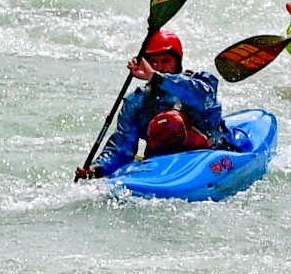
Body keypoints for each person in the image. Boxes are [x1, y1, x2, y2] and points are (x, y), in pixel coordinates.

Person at [81, 28, 230, 178]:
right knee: (162, 124)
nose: (159, 67)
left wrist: (156, 77)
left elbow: (203, 97)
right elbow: (122, 148)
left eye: (165, 61)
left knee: (171, 120)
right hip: (162, 163)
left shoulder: (200, 82)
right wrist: (96, 169)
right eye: (153, 62)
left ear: (177, 61)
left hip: (207, 155)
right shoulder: (137, 101)